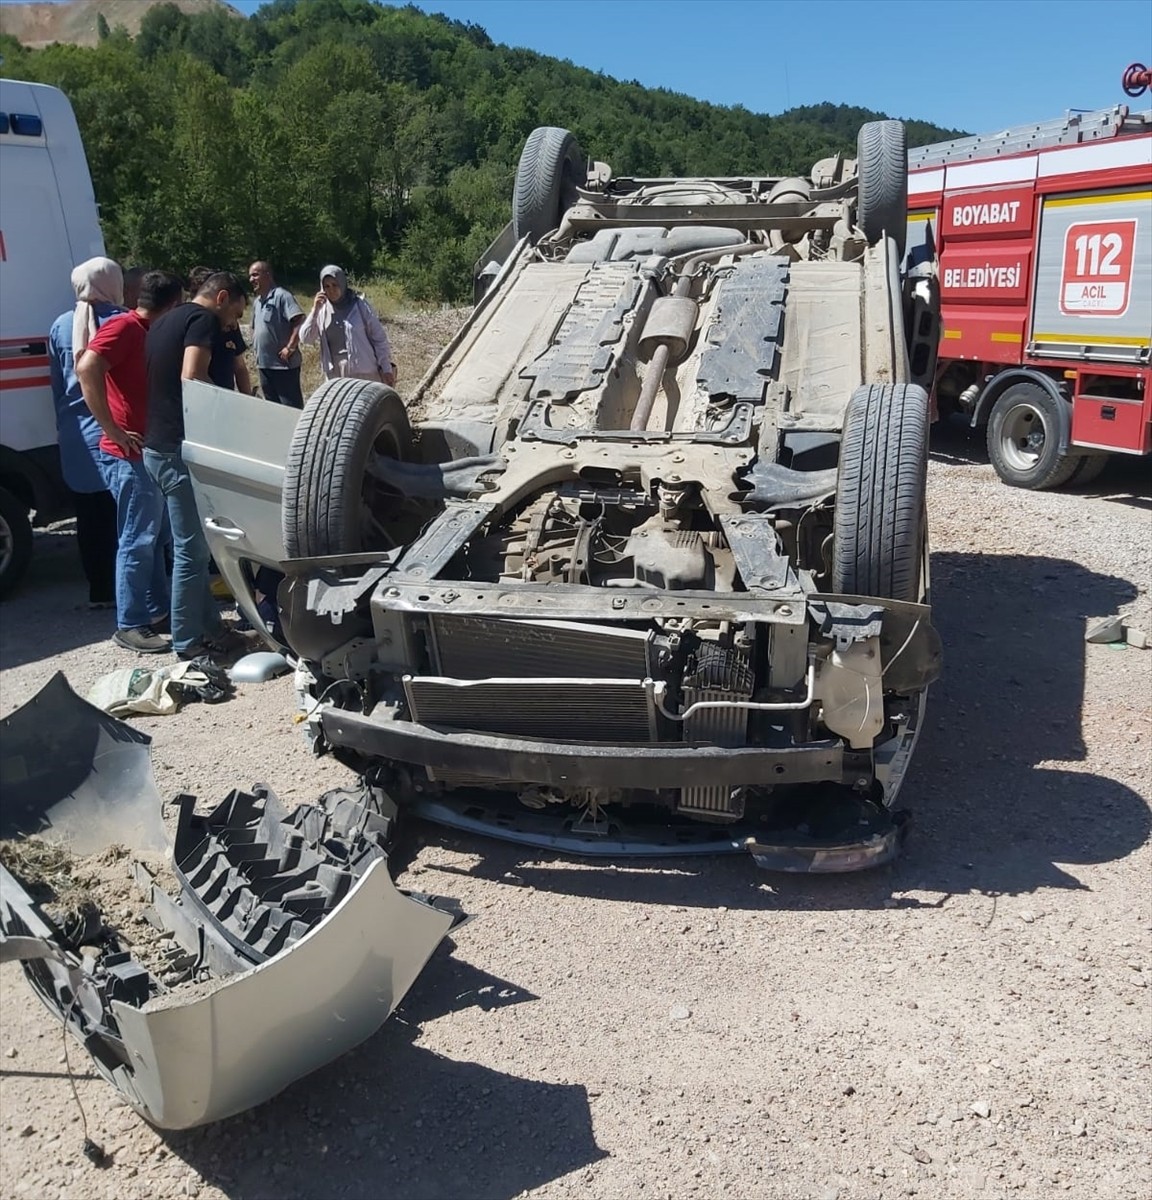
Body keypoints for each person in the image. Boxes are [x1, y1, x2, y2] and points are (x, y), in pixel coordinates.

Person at [143, 271, 252, 661]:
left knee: (194, 546)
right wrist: (228, 423)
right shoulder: (203, 320)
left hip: (156, 446)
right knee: (192, 551)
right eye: (233, 315)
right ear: (222, 297)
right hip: (180, 449)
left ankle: (209, 627)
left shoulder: (165, 319)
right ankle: (187, 643)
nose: (231, 325)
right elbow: (192, 377)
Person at [78, 271, 184, 654]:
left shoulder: (147, 330)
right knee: (138, 539)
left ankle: (155, 611)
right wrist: (113, 428)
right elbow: (87, 367)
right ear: (171, 305)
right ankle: (130, 623)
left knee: (156, 537)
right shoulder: (124, 327)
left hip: (148, 449)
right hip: (128, 453)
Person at [47, 257, 125, 608]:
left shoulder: (60, 325)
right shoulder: (121, 322)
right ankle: (129, 595)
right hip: (113, 433)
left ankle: (100, 589)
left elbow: (56, 385)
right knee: (123, 520)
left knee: (88, 518)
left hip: (74, 434)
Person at [299, 266, 395, 385]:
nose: (331, 290)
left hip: (365, 373)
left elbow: (379, 338)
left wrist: (386, 367)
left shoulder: (359, 306)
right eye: (327, 286)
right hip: (336, 375)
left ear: (342, 284)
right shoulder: (322, 311)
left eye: (335, 285)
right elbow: (306, 338)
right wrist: (315, 310)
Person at [188, 266, 254, 395]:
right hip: (201, 399)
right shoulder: (192, 323)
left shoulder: (230, 325)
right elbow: (193, 374)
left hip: (223, 397)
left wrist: (248, 398)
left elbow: (240, 367)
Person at [248, 261, 305, 408]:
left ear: (268, 275)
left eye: (255, 275)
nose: (251, 280)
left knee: (290, 407)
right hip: (264, 366)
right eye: (250, 276)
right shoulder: (257, 302)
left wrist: (290, 347)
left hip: (283, 367)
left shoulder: (282, 296)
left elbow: (299, 321)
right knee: (272, 408)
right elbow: (254, 328)